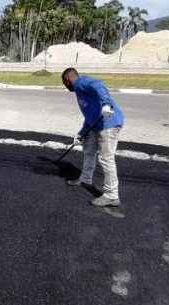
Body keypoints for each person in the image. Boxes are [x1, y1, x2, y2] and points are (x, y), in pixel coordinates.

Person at [62, 68, 125, 207]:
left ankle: (112, 195)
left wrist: (106, 104)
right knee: (88, 150)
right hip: (96, 124)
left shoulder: (81, 82)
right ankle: (85, 178)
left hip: (109, 123)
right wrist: (81, 133)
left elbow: (99, 85)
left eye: (65, 84)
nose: (66, 87)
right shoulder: (80, 91)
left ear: (67, 80)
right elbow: (89, 115)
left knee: (106, 158)